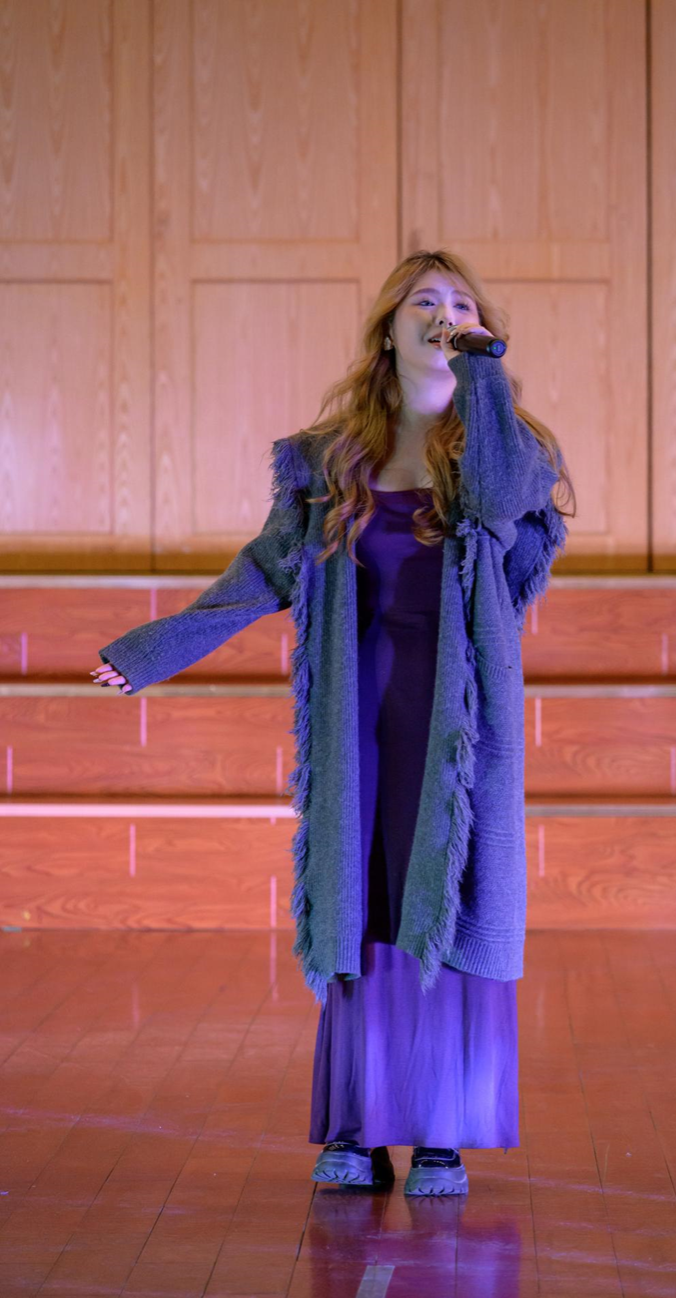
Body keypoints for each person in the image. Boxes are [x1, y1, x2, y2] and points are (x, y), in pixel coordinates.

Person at [92, 249, 575, 1197]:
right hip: (359, 715)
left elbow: (490, 501)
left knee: (451, 896)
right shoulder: (328, 461)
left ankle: (441, 1132)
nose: (445, 315)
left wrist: (482, 369)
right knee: (361, 903)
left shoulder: (508, 445)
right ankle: (357, 1125)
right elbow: (264, 571)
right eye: (424, 302)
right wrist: (156, 649)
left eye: (461, 303)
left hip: (460, 722)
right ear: (388, 330)